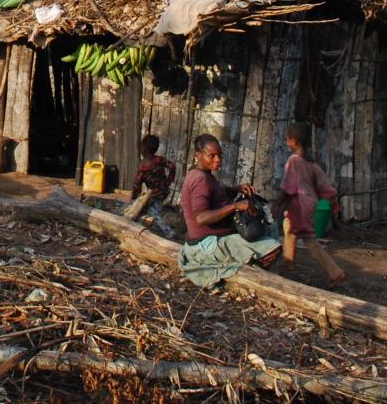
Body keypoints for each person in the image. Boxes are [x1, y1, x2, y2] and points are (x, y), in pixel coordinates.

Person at [176, 134, 280, 287]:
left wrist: (235, 189)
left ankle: (249, 269)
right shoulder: (201, 180)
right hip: (206, 245)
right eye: (212, 156)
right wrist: (235, 206)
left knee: (268, 232)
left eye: (219, 155)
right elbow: (201, 218)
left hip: (208, 239)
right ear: (198, 155)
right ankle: (253, 279)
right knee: (273, 249)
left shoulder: (200, 173)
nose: (217, 160)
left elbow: (215, 193)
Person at [275, 122, 346, 285]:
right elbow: (325, 184)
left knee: (309, 239)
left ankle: (335, 272)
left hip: (299, 204)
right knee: (289, 228)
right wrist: (333, 200)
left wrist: (278, 204)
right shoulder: (311, 162)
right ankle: (288, 262)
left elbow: (288, 186)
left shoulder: (294, 161)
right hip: (309, 204)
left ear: (294, 141)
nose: (286, 141)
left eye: (287, 139)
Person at [131, 134, 177, 238]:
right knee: (155, 210)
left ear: (145, 149)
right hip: (164, 190)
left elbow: (137, 183)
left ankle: (168, 231)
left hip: (155, 193)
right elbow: (172, 166)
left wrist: (134, 197)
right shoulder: (159, 160)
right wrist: (169, 180)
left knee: (151, 211)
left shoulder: (142, 165)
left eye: (141, 147)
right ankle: (156, 226)